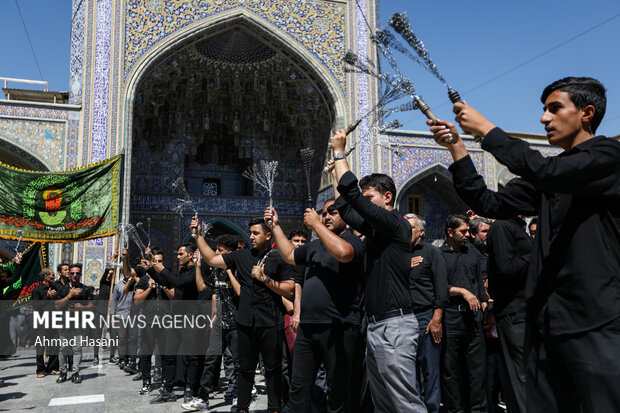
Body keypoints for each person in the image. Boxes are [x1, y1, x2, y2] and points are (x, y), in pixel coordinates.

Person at [428, 76, 620, 412]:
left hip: (597, 320)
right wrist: (457, 148)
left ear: (586, 113)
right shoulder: (553, 175)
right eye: (543, 110)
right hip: (546, 321)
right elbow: (488, 203)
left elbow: (546, 172)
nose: (544, 118)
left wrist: (486, 130)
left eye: (554, 108)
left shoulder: (608, 156)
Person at [329, 129, 426, 413]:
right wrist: (337, 167)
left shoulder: (398, 225)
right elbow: (347, 209)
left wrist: (339, 152)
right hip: (377, 326)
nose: (365, 203)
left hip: (394, 327)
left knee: (405, 404)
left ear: (387, 197)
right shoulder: (376, 231)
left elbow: (353, 199)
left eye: (370, 197)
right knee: (384, 404)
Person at [266, 198, 365, 413]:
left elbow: (343, 253)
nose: (327, 216)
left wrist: (316, 225)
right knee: (299, 389)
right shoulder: (314, 246)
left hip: (338, 326)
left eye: (333, 212)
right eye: (324, 213)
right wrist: (275, 226)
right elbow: (290, 255)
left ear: (346, 216)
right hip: (308, 328)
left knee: (338, 391)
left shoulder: (353, 241)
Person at [192, 217, 295, 413]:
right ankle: (242, 408)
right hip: (246, 323)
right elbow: (213, 259)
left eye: (256, 233)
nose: (251, 237)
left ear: (268, 235)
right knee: (244, 370)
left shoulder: (279, 257)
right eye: (250, 233)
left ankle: (275, 408)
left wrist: (265, 279)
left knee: (273, 370)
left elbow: (289, 290)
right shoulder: (242, 256)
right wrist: (197, 236)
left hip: (270, 322)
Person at [184, 235, 241, 412]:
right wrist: (199, 267)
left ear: (230, 253)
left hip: (237, 322)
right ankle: (203, 398)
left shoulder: (239, 269)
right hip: (220, 323)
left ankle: (239, 396)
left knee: (237, 362)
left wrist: (230, 269)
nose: (216, 253)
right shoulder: (216, 271)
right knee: (211, 360)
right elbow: (203, 288)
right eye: (216, 249)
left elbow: (241, 292)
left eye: (220, 251)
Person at [439, 214, 489, 413]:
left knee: (477, 368)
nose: (467, 235)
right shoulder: (438, 254)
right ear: (450, 232)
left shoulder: (472, 252)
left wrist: (485, 305)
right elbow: (439, 287)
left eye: (469, 231)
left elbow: (479, 283)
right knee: (451, 369)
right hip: (451, 317)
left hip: (473, 317)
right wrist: (462, 291)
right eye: (463, 231)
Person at [485, 215, 532, 413]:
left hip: (524, 310)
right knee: (520, 373)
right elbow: (507, 267)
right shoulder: (502, 227)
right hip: (514, 311)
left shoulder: (515, 227)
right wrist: (535, 254)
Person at [405, 213, 449, 413]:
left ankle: (431, 408)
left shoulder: (432, 253)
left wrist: (436, 318)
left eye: (411, 228)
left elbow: (441, 288)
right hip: (403, 319)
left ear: (421, 232)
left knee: (430, 369)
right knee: (407, 369)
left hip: (426, 317)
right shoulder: (399, 254)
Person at [54, 263, 94, 384]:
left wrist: (82, 307)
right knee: (63, 348)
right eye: (72, 273)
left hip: (78, 324)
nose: (75, 275)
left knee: (77, 349)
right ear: (69, 274)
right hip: (63, 323)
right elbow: (56, 305)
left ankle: (75, 372)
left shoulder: (85, 289)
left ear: (81, 274)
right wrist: (69, 296)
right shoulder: (62, 289)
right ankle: (63, 372)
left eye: (77, 273)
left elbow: (92, 306)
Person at [32, 267, 58, 377]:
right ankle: (40, 370)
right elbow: (36, 306)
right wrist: (47, 297)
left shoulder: (55, 288)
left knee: (54, 345)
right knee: (41, 346)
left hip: (54, 320)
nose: (54, 277)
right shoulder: (37, 290)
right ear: (45, 277)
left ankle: (52, 367)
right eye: (52, 275)